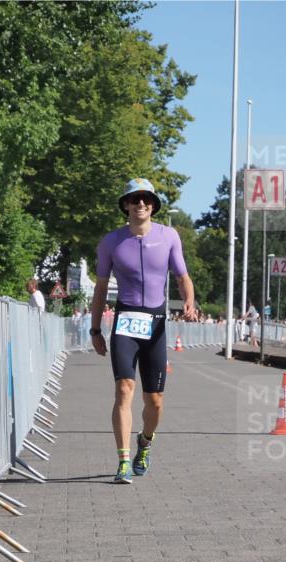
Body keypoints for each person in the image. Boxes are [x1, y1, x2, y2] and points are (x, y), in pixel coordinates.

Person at [91, 178, 197, 484]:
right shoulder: (111, 242)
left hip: (155, 323)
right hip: (125, 321)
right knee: (124, 389)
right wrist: (95, 329)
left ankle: (145, 443)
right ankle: (123, 461)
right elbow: (100, 290)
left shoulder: (169, 236)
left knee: (155, 401)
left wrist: (189, 302)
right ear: (125, 204)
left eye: (147, 200)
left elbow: (182, 277)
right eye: (135, 199)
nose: (141, 204)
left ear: (153, 205)